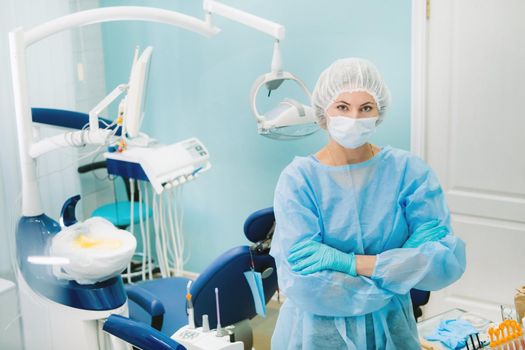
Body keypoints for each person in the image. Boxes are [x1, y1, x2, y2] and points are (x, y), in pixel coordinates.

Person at [269, 58, 466, 350]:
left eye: (365, 108)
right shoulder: (299, 180)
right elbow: (306, 285)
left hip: (392, 333)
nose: (354, 118)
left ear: (379, 112)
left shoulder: (409, 173)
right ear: (325, 110)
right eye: (343, 107)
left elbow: (443, 263)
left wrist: (349, 263)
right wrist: (400, 264)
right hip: (317, 336)